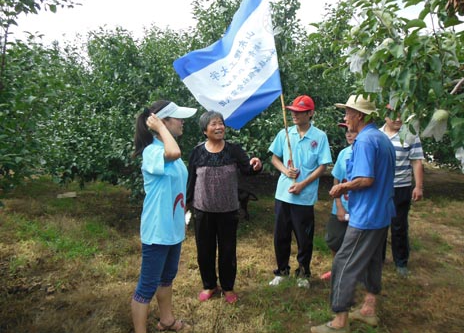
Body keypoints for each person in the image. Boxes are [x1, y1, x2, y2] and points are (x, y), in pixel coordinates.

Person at [311, 94, 395, 333]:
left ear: (359, 115)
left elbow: (366, 179)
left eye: (348, 112)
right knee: (371, 260)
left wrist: (343, 186)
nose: (345, 117)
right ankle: (369, 309)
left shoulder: (365, 141)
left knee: (343, 264)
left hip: (366, 216)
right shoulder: (381, 138)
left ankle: (339, 322)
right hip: (381, 213)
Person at [131, 100, 196, 333]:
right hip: (157, 230)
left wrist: (182, 220)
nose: (182, 122)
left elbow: (178, 191)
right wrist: (159, 128)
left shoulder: (169, 150)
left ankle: (166, 320)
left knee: (167, 277)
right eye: (177, 118)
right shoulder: (153, 152)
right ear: (163, 121)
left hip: (173, 228)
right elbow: (174, 151)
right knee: (146, 286)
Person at [186, 110, 262, 304]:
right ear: (205, 130)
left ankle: (228, 287)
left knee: (228, 250)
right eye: (213, 124)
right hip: (203, 210)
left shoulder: (233, 150)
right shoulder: (197, 152)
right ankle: (209, 285)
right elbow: (191, 180)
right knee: (205, 250)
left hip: (228, 210)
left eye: (221, 123)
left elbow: (247, 170)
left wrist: (256, 165)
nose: (219, 127)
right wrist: (187, 204)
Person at [268, 95, 333, 288]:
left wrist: (303, 184)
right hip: (283, 194)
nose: (294, 115)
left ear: (310, 113)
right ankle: (281, 271)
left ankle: (303, 272)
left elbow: (323, 166)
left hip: (304, 197)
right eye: (293, 111)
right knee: (281, 235)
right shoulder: (285, 134)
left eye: (299, 112)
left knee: (304, 238)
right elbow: (274, 158)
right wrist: (285, 170)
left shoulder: (319, 137)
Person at [380, 106, 424, 277]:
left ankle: (401, 262)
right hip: (380, 188)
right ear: (385, 116)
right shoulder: (377, 135)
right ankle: (378, 258)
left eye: (401, 116)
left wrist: (418, 186)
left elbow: (416, 161)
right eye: (393, 116)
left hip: (401, 187)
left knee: (399, 225)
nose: (398, 119)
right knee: (379, 224)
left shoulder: (410, 134)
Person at [320, 123, 358, 281]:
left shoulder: (367, 153)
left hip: (360, 208)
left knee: (357, 242)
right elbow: (336, 179)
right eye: (347, 132)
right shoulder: (343, 153)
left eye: (353, 131)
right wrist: (339, 206)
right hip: (342, 205)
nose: (349, 135)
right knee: (335, 239)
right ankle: (336, 269)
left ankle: (354, 274)